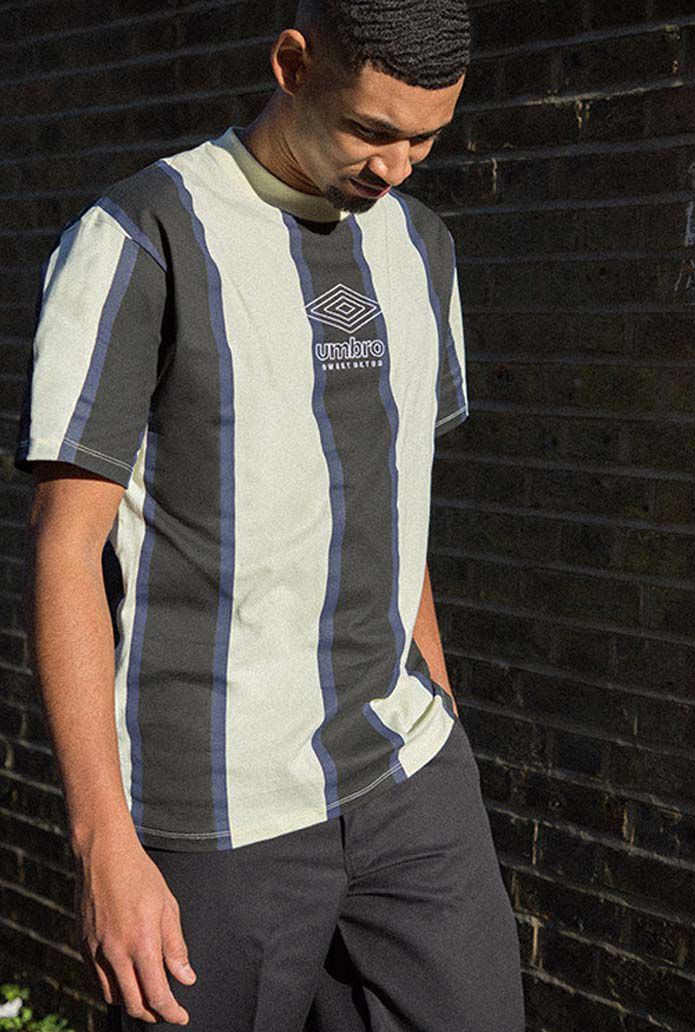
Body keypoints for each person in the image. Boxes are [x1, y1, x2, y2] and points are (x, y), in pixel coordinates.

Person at [14, 0, 526, 1029]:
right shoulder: (142, 237)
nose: (396, 167)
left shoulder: (422, 248)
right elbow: (65, 552)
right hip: (213, 809)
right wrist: (104, 843)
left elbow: (395, 501)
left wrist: (440, 699)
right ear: (292, 64)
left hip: (409, 775)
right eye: (371, 130)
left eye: (425, 139)